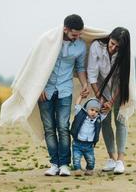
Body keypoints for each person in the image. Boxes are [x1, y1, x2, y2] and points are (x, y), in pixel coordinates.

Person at [38, 14, 89, 176]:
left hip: (65, 90)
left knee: (63, 127)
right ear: (65, 29)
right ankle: (54, 164)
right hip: (45, 91)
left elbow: (80, 68)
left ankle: (65, 165)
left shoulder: (81, 46)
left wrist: (85, 85)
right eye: (75, 34)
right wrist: (38, 88)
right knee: (49, 128)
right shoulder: (50, 42)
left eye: (80, 34)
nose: (77, 37)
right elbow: (38, 65)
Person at [87, 27, 131, 174]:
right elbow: (92, 75)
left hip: (119, 90)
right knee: (104, 122)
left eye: (117, 47)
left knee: (120, 121)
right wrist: (101, 98)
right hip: (100, 88)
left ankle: (120, 160)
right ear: (109, 38)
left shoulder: (125, 55)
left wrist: (112, 101)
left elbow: (122, 80)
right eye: (112, 43)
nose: (113, 48)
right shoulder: (96, 46)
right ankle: (111, 158)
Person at [70, 95, 107, 176]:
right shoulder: (80, 114)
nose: (94, 112)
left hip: (89, 145)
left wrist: (104, 104)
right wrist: (80, 96)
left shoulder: (98, 119)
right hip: (77, 143)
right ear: (87, 109)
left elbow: (105, 112)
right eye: (92, 110)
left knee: (91, 160)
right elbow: (77, 105)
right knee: (76, 159)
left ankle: (89, 169)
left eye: (96, 111)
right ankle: (77, 169)